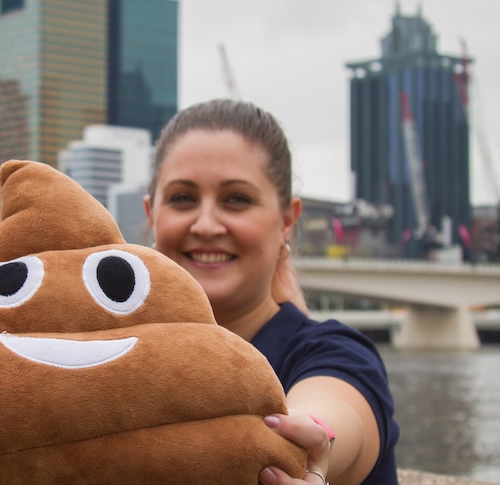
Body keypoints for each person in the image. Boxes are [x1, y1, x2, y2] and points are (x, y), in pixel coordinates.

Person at [144, 99, 399, 484]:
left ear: (286, 221)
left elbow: (335, 418)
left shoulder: (334, 353)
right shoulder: (121, 356)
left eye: (237, 199)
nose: (207, 224)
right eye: (183, 198)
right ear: (152, 216)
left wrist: (306, 439)